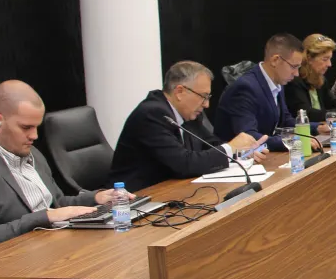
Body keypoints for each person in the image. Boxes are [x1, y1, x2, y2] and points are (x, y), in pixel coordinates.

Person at [0, 81, 130, 253]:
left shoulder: (32, 153)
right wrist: (43, 217)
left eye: (36, 127)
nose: (34, 136)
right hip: (13, 263)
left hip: (54, 248)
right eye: (26, 127)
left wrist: (96, 198)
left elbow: (56, 204)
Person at [111, 61, 270, 191]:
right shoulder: (152, 114)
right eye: (203, 96)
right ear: (180, 91)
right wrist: (231, 147)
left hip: (172, 190)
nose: (207, 104)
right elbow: (184, 163)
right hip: (135, 199)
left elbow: (211, 144)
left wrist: (240, 152)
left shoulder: (189, 113)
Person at [214, 33, 321, 152]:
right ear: (275, 60)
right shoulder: (245, 88)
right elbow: (249, 137)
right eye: (293, 67)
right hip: (239, 162)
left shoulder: (277, 81)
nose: (296, 74)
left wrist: (318, 128)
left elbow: (284, 121)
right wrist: (293, 141)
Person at [285, 34, 336, 130]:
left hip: (323, 129)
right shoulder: (294, 80)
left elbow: (333, 103)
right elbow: (306, 114)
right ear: (309, 58)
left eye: (330, 59)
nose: (329, 64)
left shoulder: (320, 79)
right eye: (325, 59)